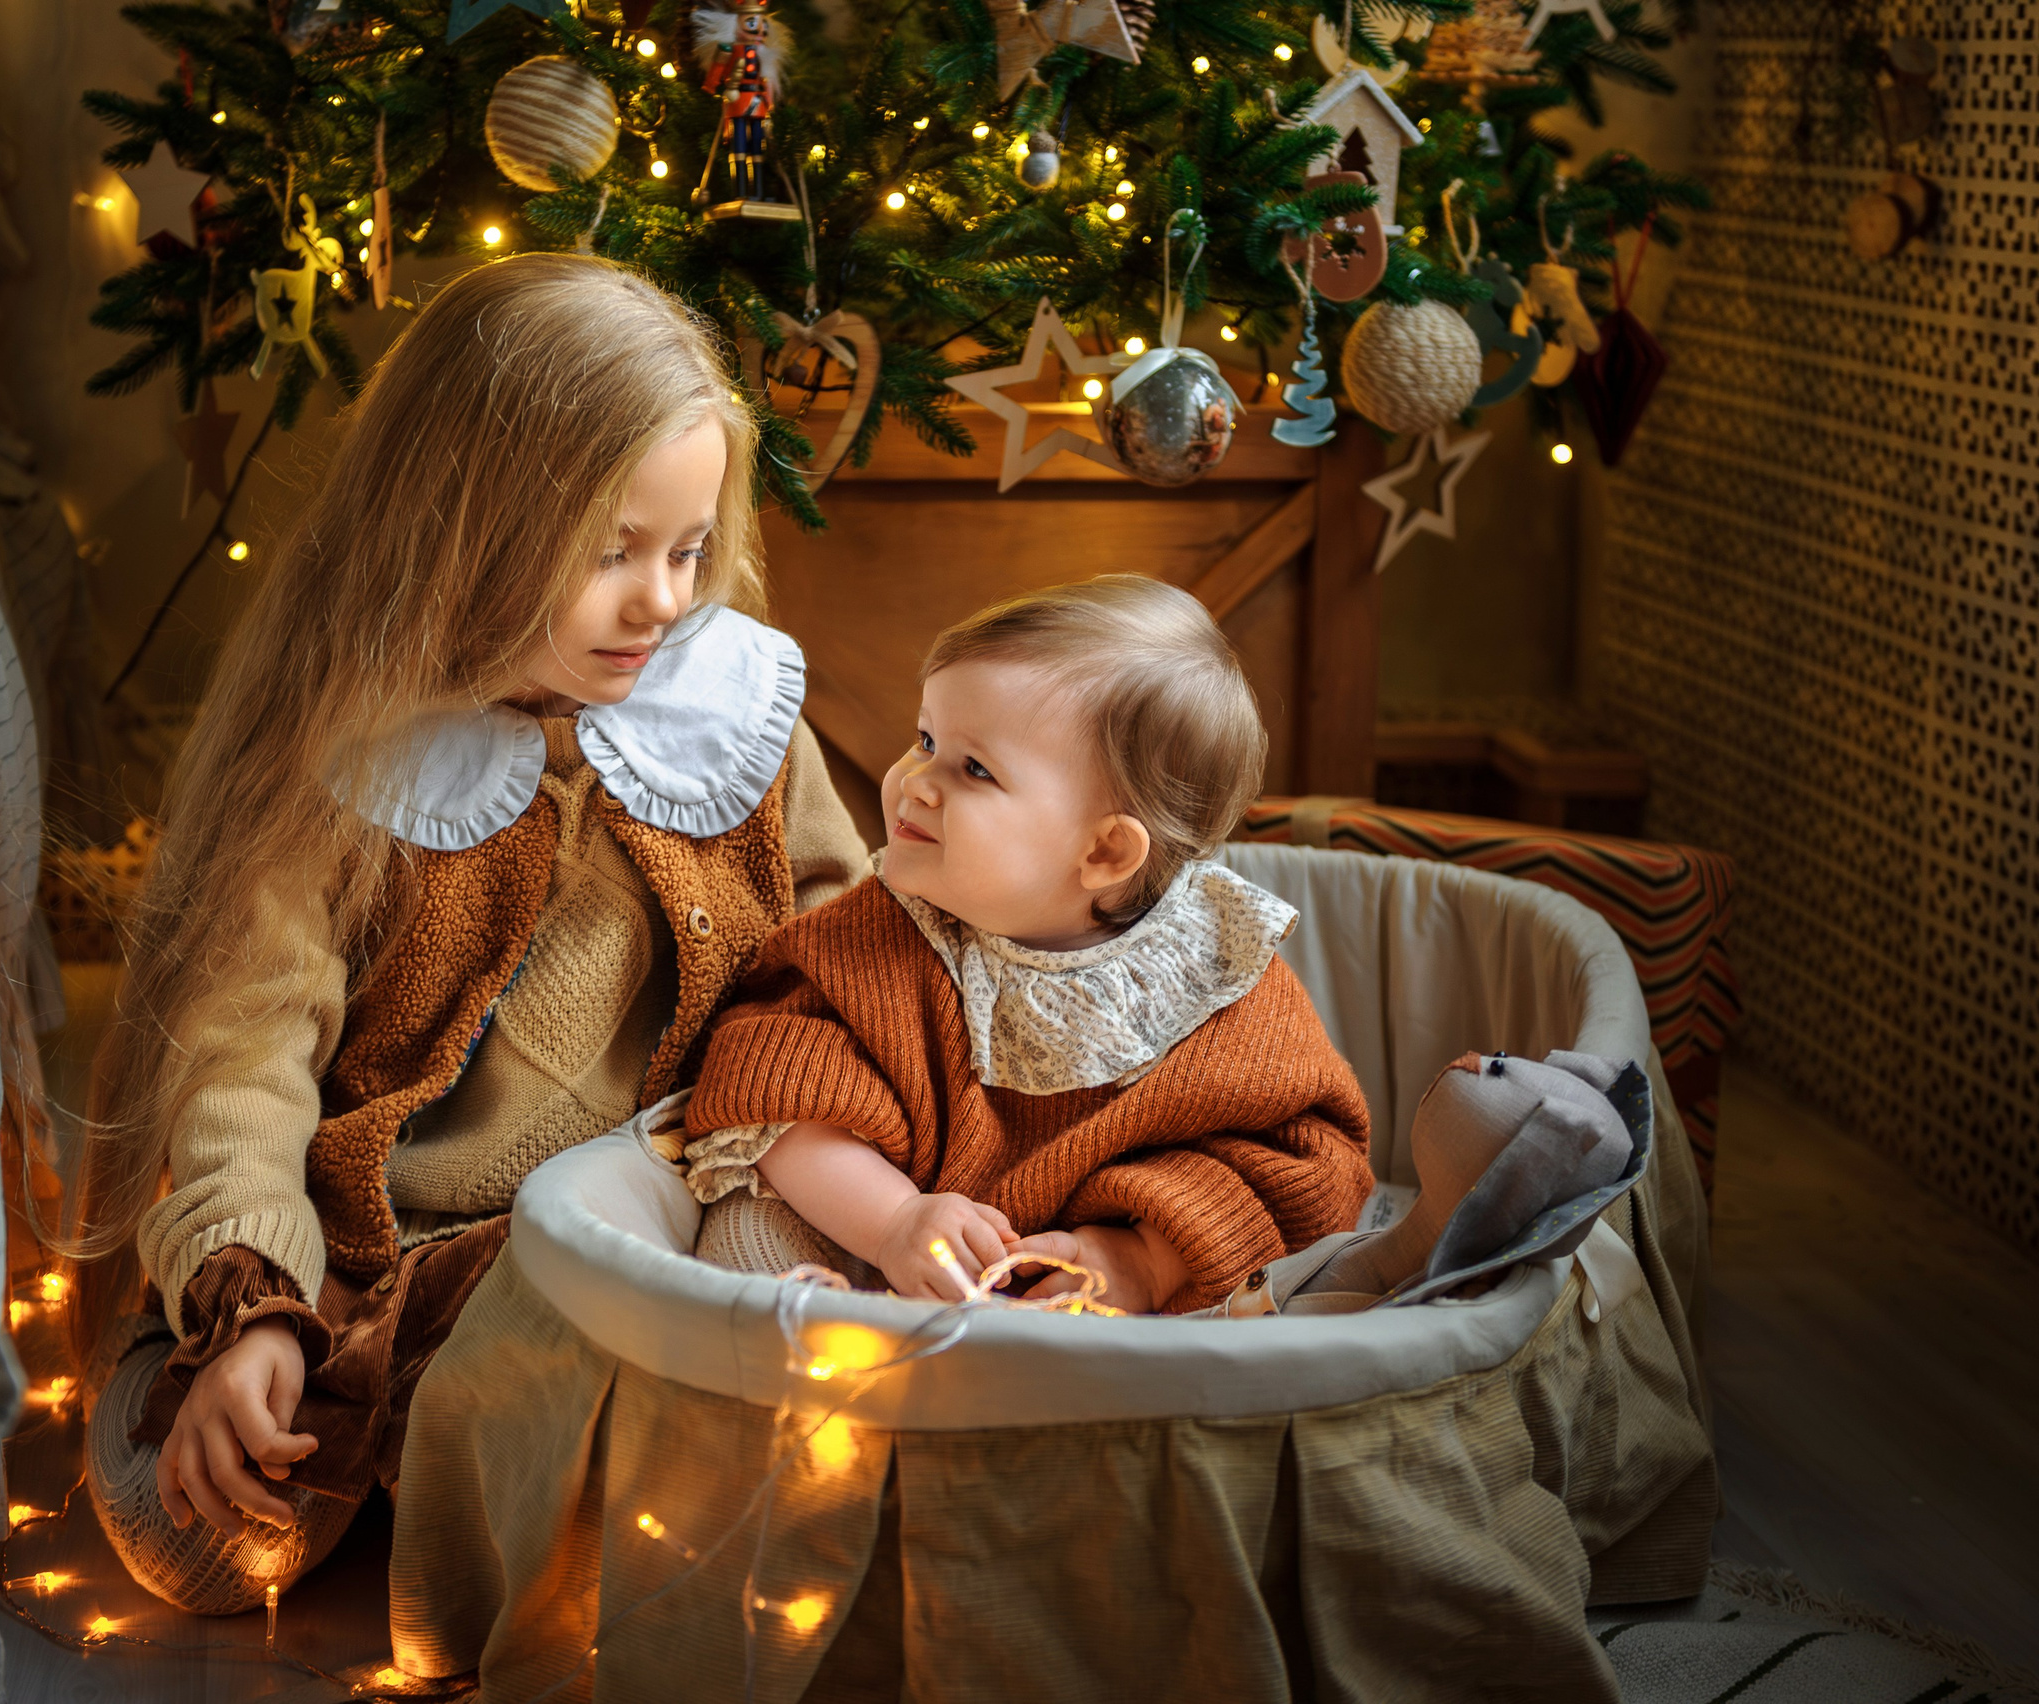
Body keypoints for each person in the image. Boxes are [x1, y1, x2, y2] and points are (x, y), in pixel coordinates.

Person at [72, 253, 871, 1613]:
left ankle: (501, 1463)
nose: (664, 598)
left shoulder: (729, 714)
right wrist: (252, 1305)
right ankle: (264, 1376)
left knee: (707, 1448)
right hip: (373, 1259)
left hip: (632, 1225)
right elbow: (238, 1059)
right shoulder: (344, 762)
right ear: (458, 531)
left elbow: (853, 945)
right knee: (198, 1546)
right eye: (612, 553)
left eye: (686, 549)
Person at [682, 575, 1376, 1313]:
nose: (916, 782)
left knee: (1270, 1296)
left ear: (1105, 854)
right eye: (926, 741)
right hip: (897, 1264)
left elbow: (1310, 1167)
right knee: (745, 1245)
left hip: (1108, 1305)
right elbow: (772, 1081)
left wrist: (1143, 1260)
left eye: (974, 768)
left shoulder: (1221, 979)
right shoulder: (884, 927)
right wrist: (892, 1222)